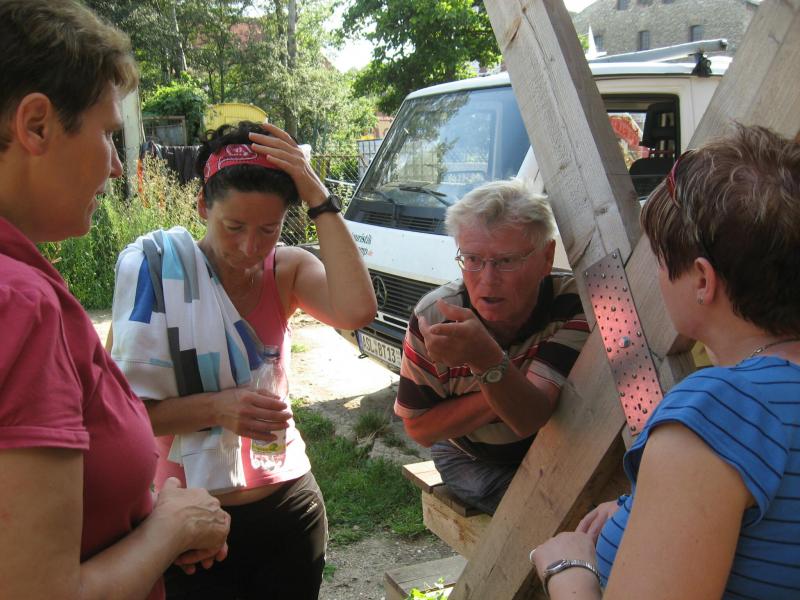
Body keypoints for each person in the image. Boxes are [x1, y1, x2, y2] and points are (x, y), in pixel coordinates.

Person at [0, 1, 231, 598]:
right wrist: (172, 528)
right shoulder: (21, 305)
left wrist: (139, 524)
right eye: (106, 132)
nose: (115, 164)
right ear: (36, 126)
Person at [529, 124, 800, 599]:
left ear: (702, 280)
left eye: (658, 259)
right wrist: (642, 508)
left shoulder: (721, 411)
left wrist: (567, 567)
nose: (656, 276)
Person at [111, 120, 377, 599]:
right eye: (233, 227)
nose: (250, 247)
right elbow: (124, 413)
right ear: (202, 207)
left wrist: (317, 194)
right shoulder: (155, 277)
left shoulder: (285, 271)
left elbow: (357, 309)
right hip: (189, 521)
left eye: (268, 230)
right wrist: (218, 408)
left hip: (289, 508)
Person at [394, 179, 589, 514]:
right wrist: (509, 378)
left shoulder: (573, 303)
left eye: (506, 261)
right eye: (472, 258)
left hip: (561, 447)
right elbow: (421, 429)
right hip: (471, 458)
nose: (487, 279)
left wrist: (487, 362)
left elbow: (529, 416)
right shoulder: (435, 318)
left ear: (546, 257)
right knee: (544, 512)